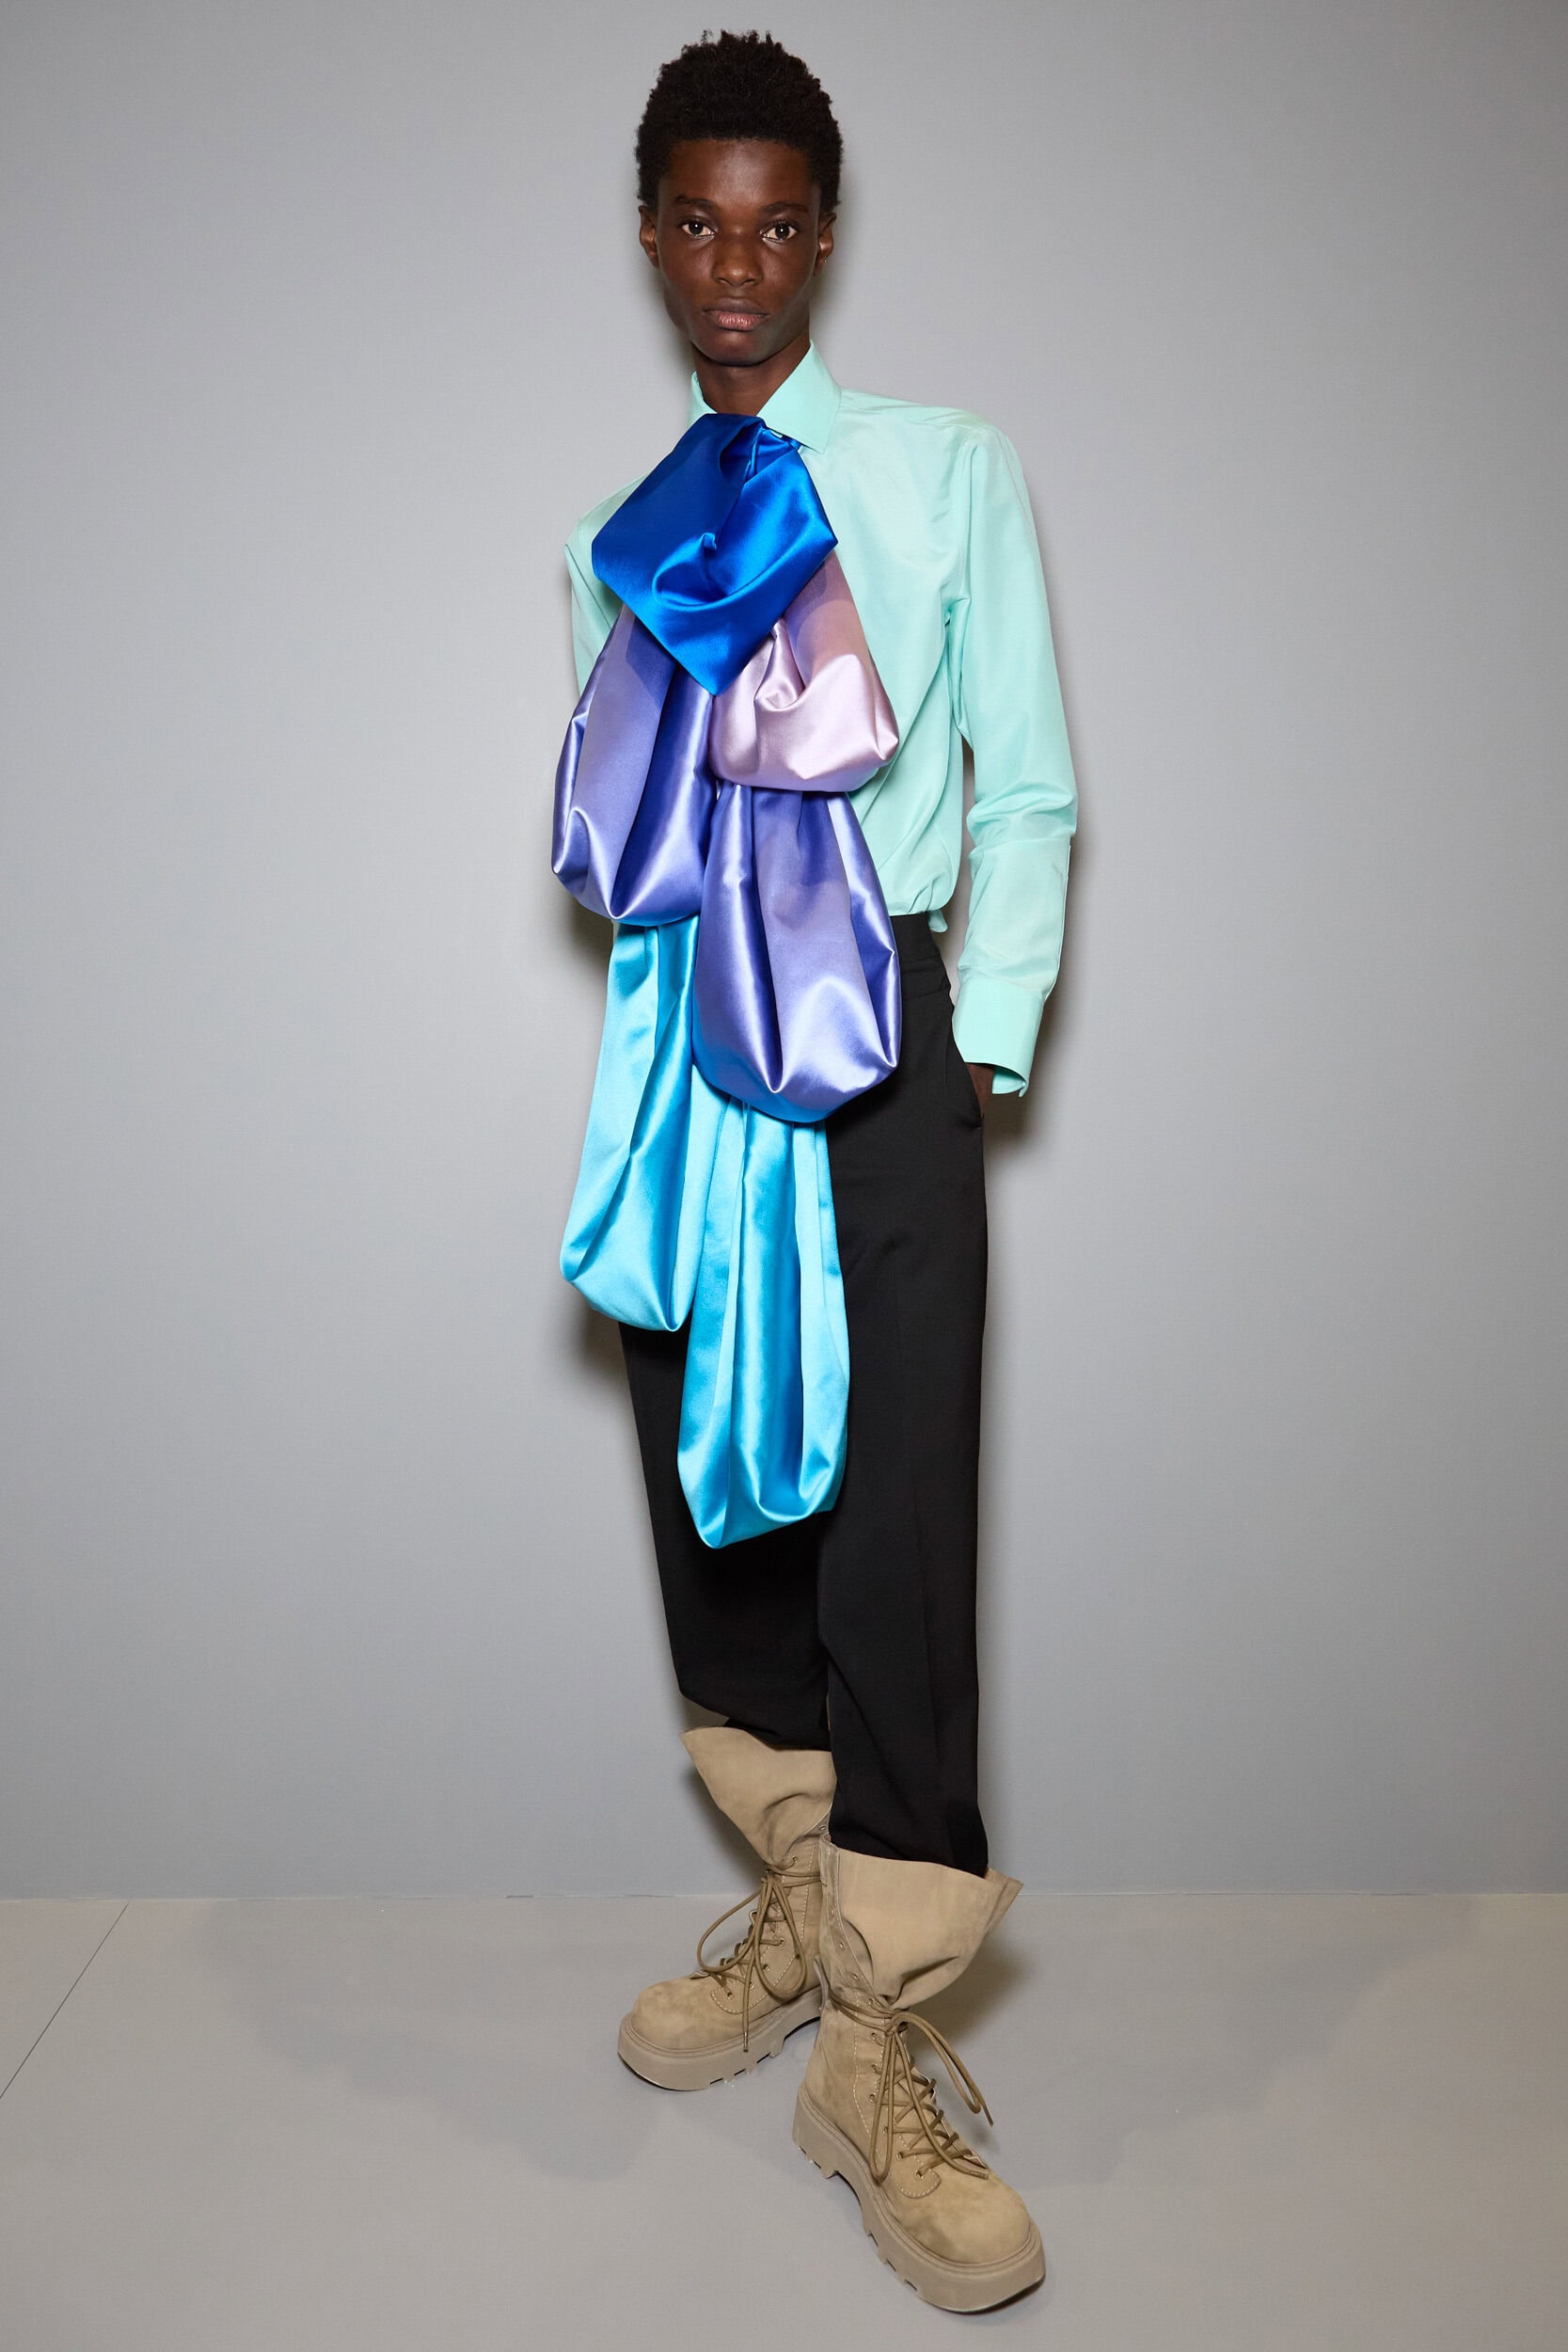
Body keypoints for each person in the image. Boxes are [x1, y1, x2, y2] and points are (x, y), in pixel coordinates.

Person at [557, 30, 1076, 2313]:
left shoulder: (950, 472)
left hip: (880, 1038)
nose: (737, 262)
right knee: (712, 1483)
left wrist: (973, 1050)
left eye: (777, 222)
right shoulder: (621, 534)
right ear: (652, 234)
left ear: (826, 235)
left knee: (898, 1522)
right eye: (699, 218)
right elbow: (630, 845)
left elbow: (1027, 783)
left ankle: (880, 2041)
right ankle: (796, 1894)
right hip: (694, 1053)